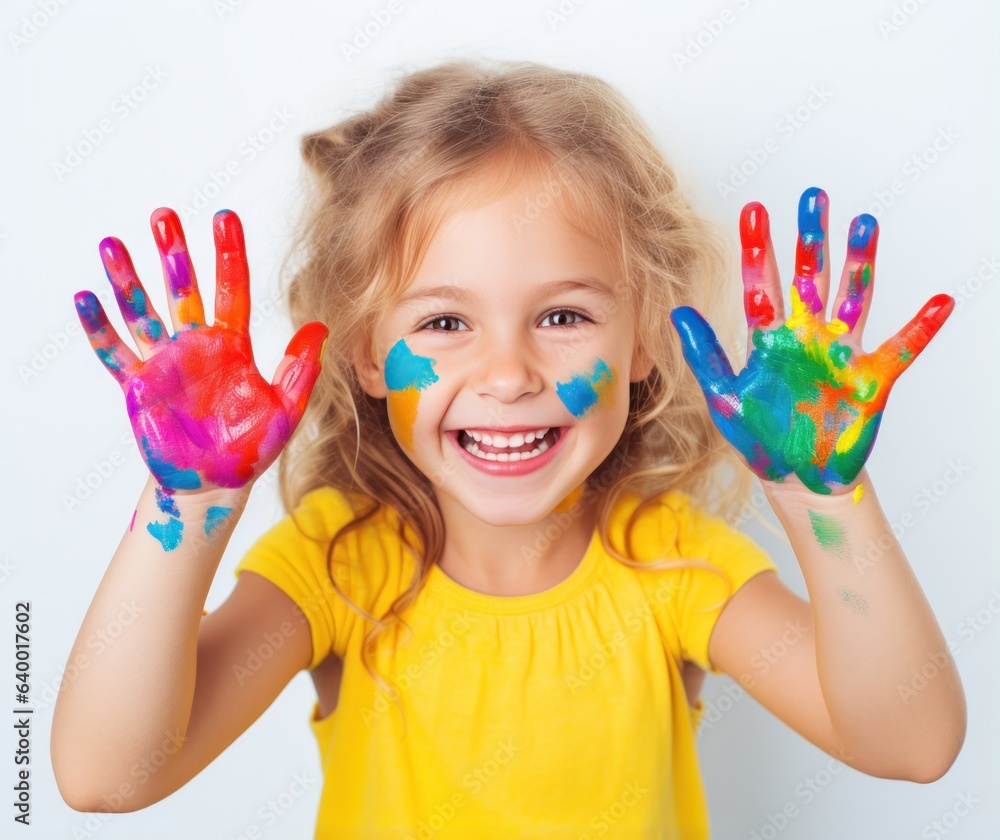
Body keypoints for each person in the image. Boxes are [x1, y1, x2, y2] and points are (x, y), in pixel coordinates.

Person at [51, 59, 966, 838]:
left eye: (563, 315)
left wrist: (822, 499)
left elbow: (911, 744)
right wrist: (187, 507)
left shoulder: (672, 564)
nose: (507, 373)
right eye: (445, 321)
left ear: (643, 337)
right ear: (368, 353)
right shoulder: (340, 567)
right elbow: (106, 777)